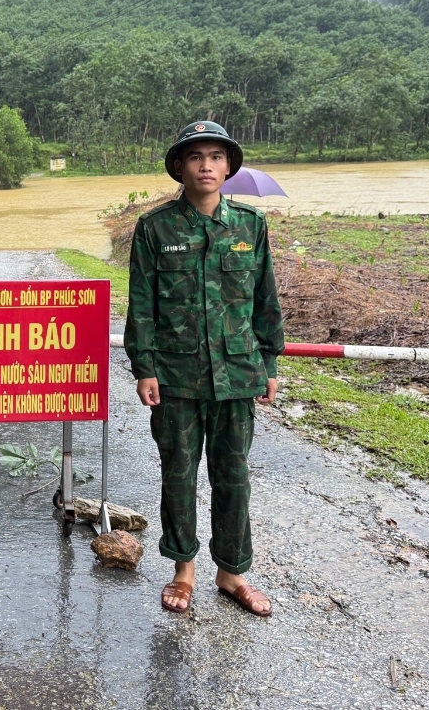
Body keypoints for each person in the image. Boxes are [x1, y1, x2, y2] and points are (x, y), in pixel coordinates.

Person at [124, 120, 283, 617]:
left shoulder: (250, 226)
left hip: (236, 374)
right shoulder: (155, 229)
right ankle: (183, 571)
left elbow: (265, 299)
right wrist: (144, 367)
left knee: (233, 475)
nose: (206, 165)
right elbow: (142, 303)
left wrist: (269, 362)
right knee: (179, 472)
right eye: (196, 157)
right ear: (180, 167)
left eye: (216, 156)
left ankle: (232, 572)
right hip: (176, 376)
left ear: (230, 167)